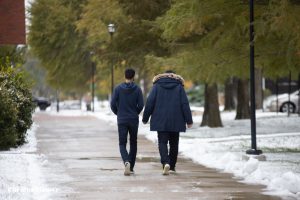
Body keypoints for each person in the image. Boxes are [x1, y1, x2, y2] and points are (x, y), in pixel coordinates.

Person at [142, 70, 193, 175]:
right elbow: (184, 104)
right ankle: (172, 166)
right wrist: (189, 120)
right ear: (175, 77)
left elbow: (150, 102)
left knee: (162, 142)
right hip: (176, 119)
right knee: (174, 143)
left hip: (160, 119)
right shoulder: (179, 87)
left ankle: (165, 162)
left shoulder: (156, 86)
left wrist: (145, 118)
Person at [110, 68, 144, 176]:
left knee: (122, 143)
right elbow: (141, 105)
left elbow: (112, 104)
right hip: (133, 119)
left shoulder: (118, 89)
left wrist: (118, 112)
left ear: (125, 76)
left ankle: (126, 161)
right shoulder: (138, 89)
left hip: (122, 119)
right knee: (133, 142)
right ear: (133, 77)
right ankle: (131, 167)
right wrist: (135, 112)